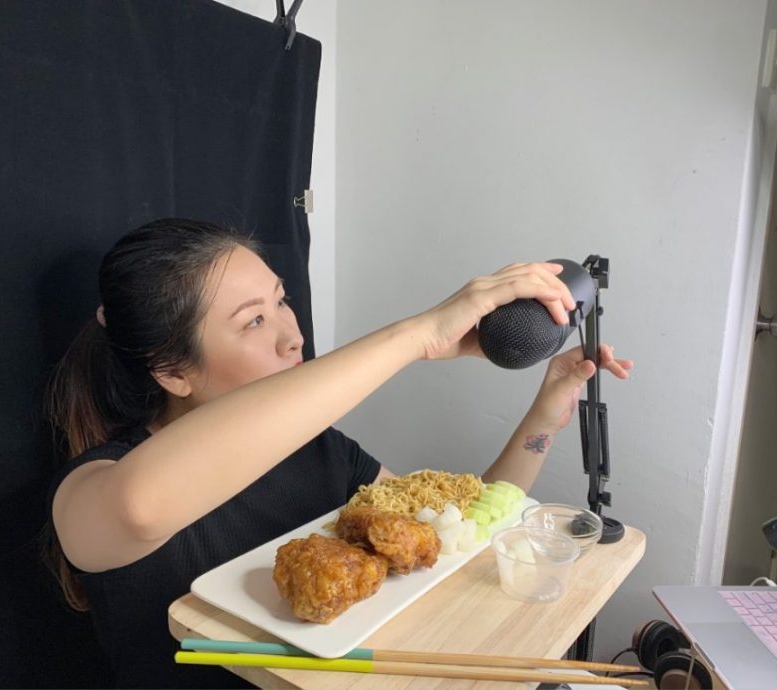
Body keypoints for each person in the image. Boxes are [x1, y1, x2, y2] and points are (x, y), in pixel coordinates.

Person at [45, 217, 632, 689]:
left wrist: (545, 414)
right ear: (173, 372)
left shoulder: (319, 449)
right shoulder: (93, 484)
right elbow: (139, 508)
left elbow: (460, 532)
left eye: (282, 302)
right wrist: (419, 335)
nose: (292, 335)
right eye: (254, 321)